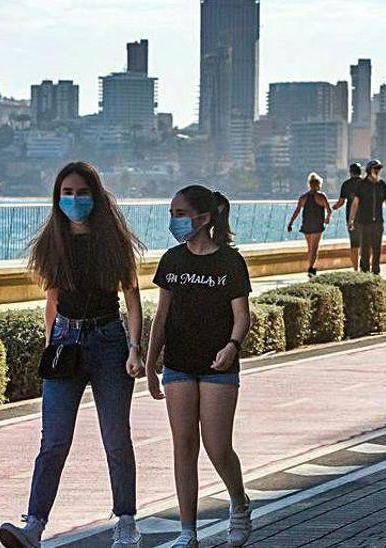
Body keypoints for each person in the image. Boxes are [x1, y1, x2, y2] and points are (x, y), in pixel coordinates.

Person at [0, 161, 146, 548]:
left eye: (82, 193)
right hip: (65, 342)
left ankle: (126, 520)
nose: (74, 200)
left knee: (116, 437)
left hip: (108, 340)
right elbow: (52, 300)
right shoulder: (52, 242)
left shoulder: (112, 240)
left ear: (95, 196)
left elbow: (132, 297)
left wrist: (135, 347)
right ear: (57, 197)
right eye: (67, 193)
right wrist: (50, 344)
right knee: (53, 440)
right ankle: (33, 525)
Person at [146, 185, 254, 548]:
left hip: (218, 366)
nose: (173, 220)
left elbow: (242, 316)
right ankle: (187, 532)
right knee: (184, 444)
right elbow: (161, 316)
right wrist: (149, 364)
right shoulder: (171, 261)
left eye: (180, 213)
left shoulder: (230, 262)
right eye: (171, 213)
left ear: (204, 218)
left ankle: (238, 503)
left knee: (217, 446)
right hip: (178, 365)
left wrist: (232, 347)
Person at [347, 159, 386, 274]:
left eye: (379, 169)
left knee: (377, 250)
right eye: (375, 169)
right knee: (365, 251)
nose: (378, 171)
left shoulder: (381, 184)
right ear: (369, 170)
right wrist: (351, 220)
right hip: (363, 223)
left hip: (378, 223)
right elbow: (355, 203)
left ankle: (376, 274)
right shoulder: (361, 185)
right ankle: (365, 274)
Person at [287, 172, 331, 277]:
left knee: (310, 247)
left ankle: (311, 266)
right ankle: (311, 268)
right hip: (317, 225)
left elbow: (297, 211)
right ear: (319, 184)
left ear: (309, 184)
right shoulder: (321, 196)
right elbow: (329, 210)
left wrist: (290, 223)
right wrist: (327, 219)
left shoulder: (303, 197)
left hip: (306, 225)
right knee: (314, 248)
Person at [331, 163, 364, 270]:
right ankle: (365, 268)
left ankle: (355, 269)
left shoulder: (346, 184)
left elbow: (341, 202)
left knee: (354, 245)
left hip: (351, 219)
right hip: (366, 218)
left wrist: (333, 208)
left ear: (350, 172)